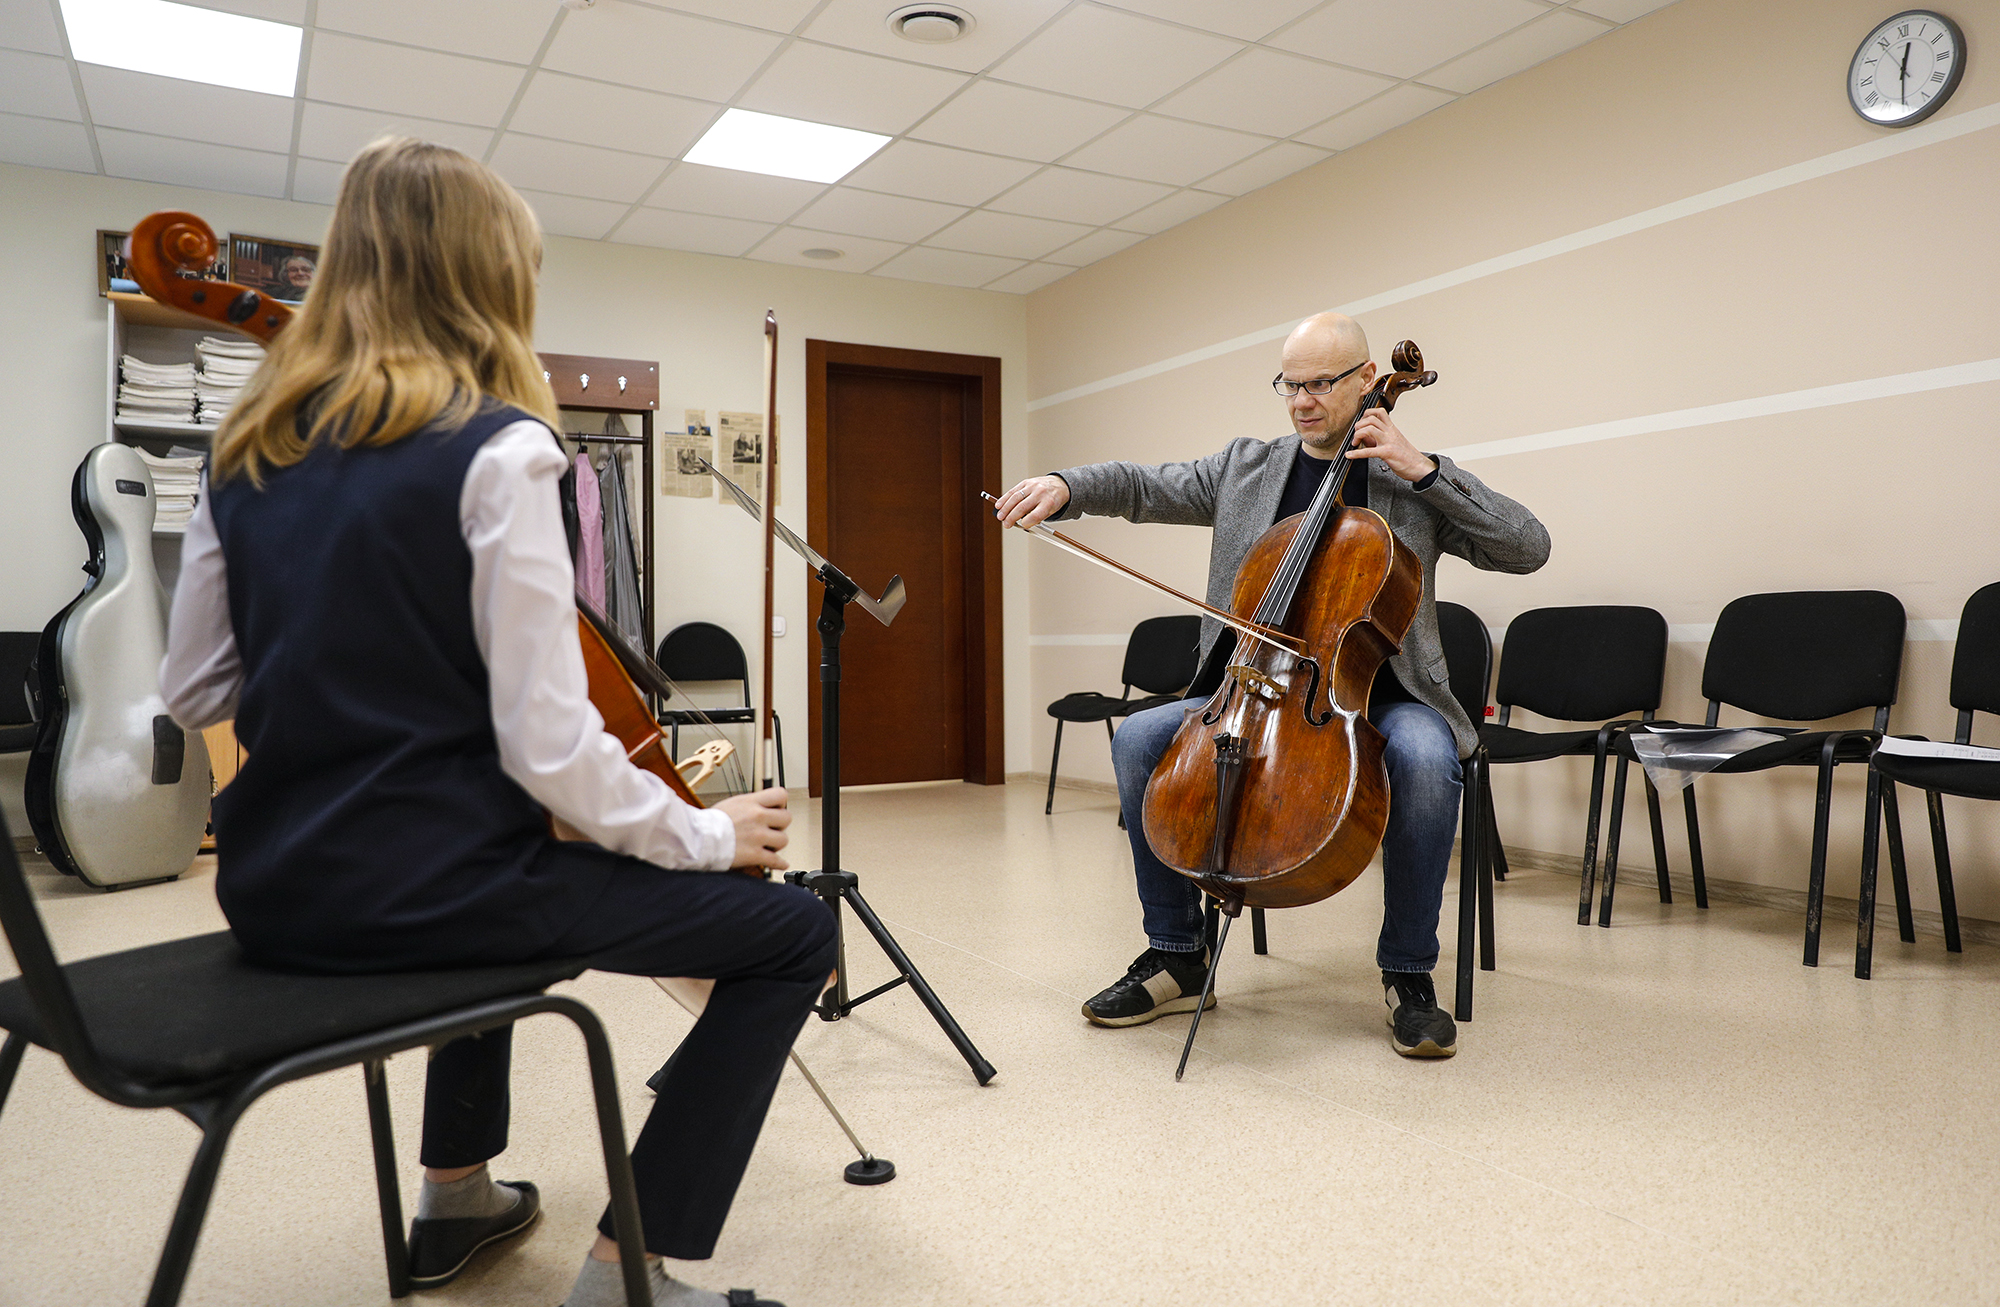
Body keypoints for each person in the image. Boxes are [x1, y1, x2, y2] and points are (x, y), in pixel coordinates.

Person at [160, 136, 827, 1307]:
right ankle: (630, 1273)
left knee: (512, 853)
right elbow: (548, 749)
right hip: (438, 899)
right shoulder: (501, 450)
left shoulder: (244, 450)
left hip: (277, 894)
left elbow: (197, 690)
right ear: (488, 279)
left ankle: (454, 1194)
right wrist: (712, 834)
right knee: (788, 935)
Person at [993, 313, 1549, 1059]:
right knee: (1139, 739)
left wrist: (1426, 471)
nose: (1303, 401)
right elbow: (1143, 486)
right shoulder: (1247, 468)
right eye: (1291, 384)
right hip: (1259, 687)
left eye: (1322, 383)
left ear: (1364, 382)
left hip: (1388, 696)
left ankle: (1408, 971)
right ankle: (1179, 954)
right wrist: (1066, 485)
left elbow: (1528, 547)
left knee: (1424, 759)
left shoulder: (1410, 477)